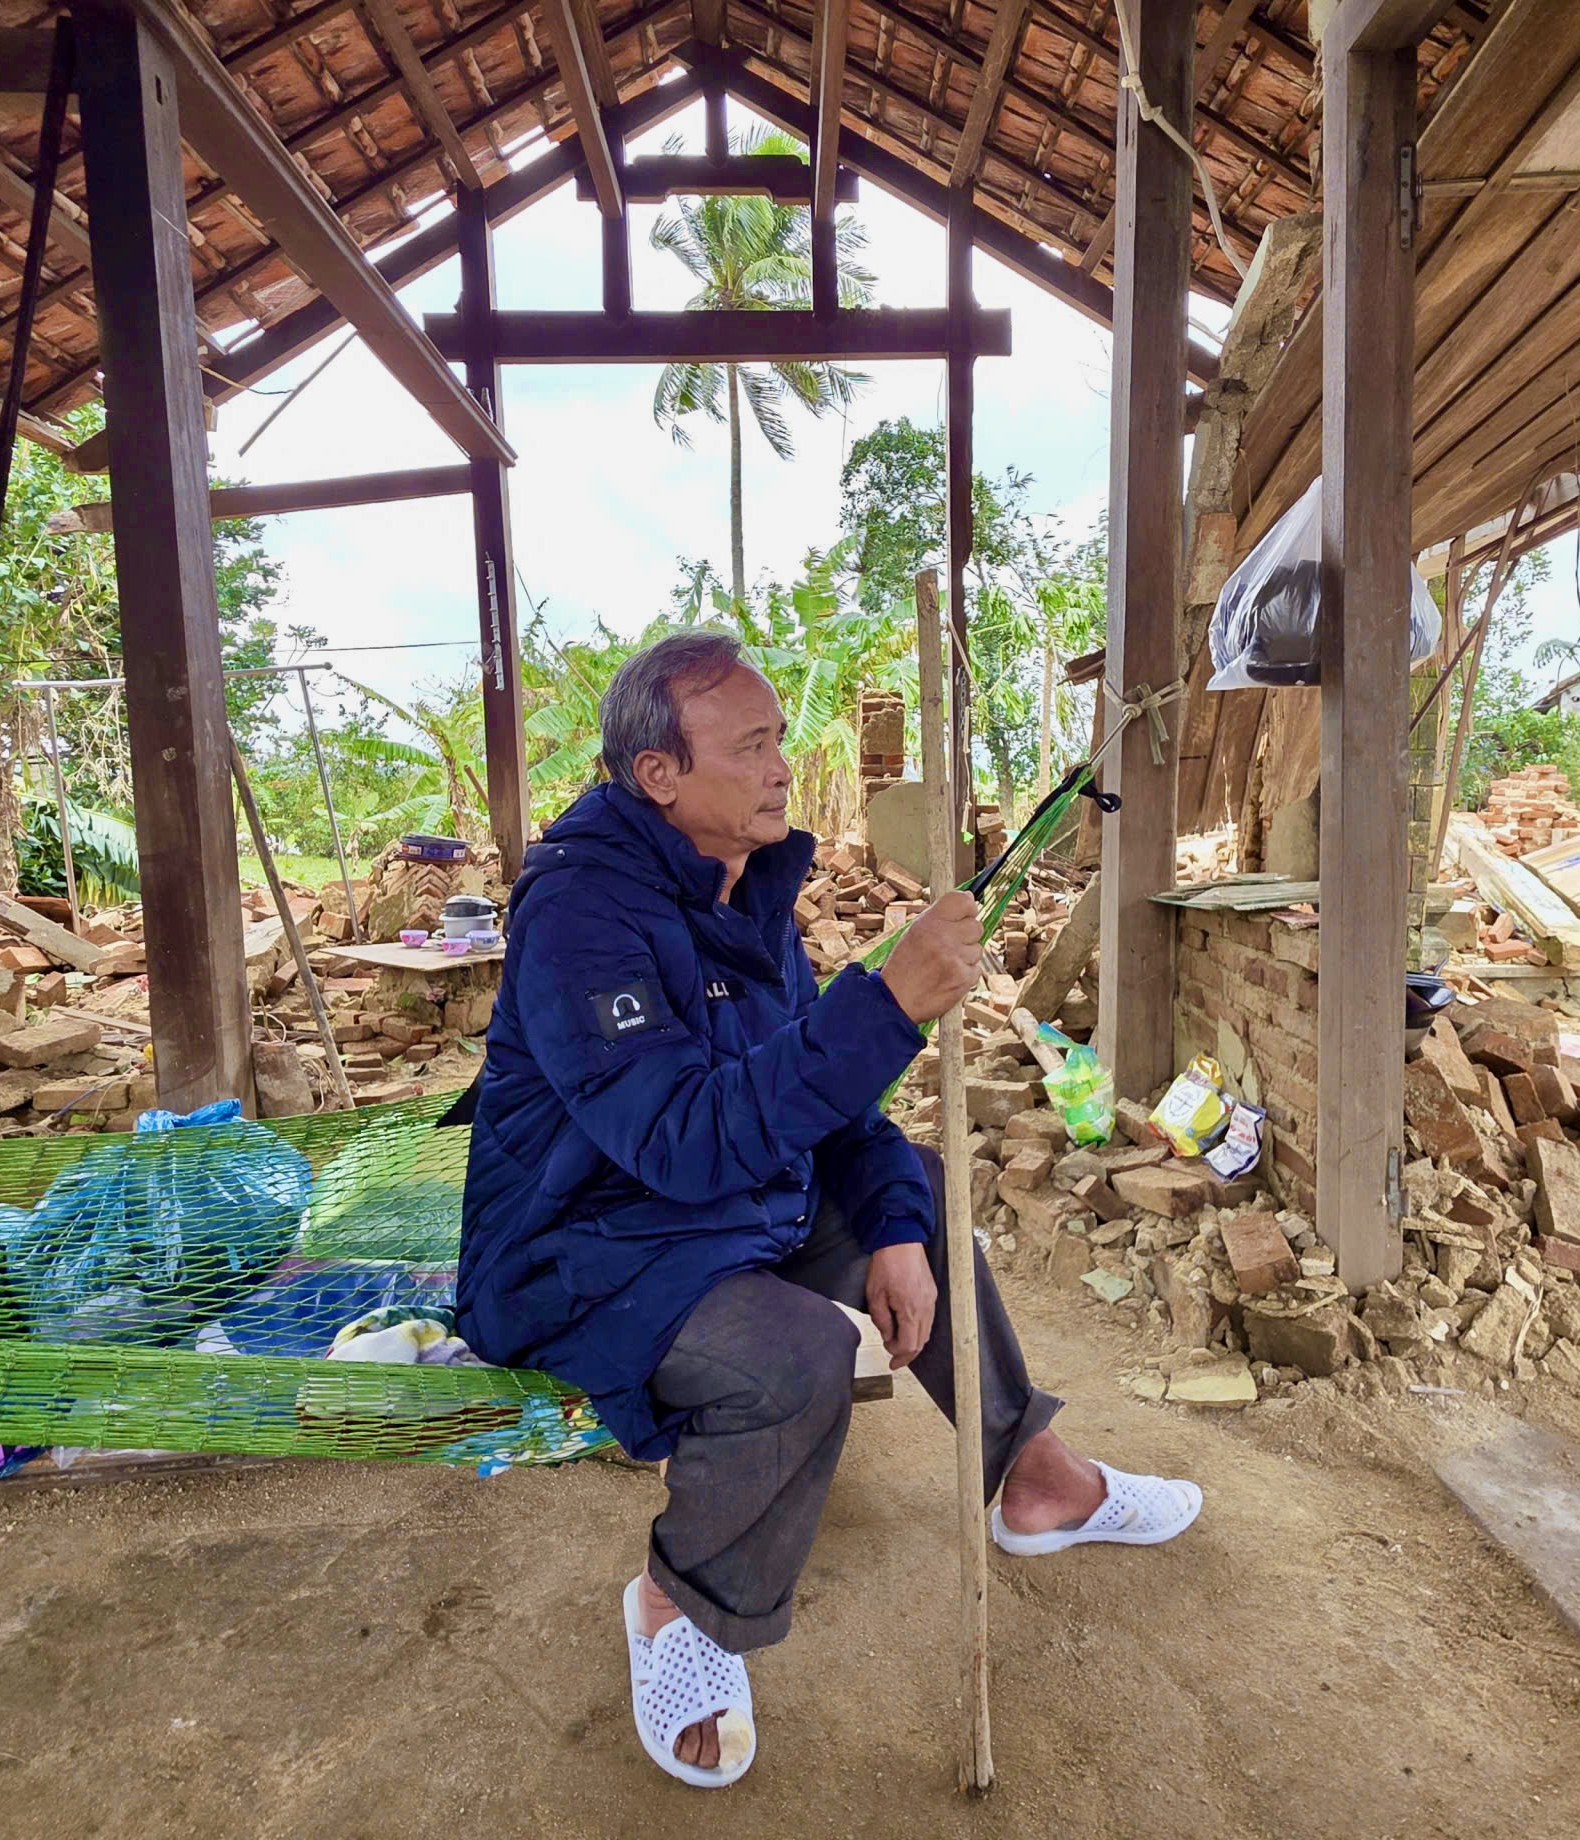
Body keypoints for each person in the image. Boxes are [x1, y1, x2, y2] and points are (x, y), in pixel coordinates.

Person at [458, 630, 1202, 1789]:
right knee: (794, 1357)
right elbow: (678, 1137)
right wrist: (888, 1000)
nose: (779, 768)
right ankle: (679, 1604)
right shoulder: (576, 916)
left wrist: (896, 1231)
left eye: (777, 741)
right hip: (586, 1237)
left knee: (927, 1213)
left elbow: (825, 1095)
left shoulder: (738, 884)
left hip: (725, 1208)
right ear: (660, 776)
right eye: (750, 747)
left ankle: (1039, 1478)